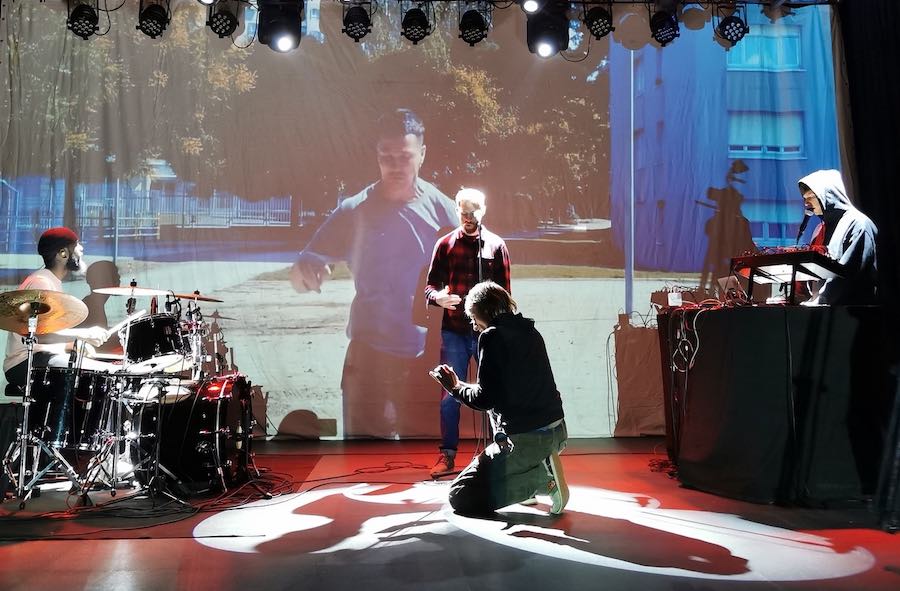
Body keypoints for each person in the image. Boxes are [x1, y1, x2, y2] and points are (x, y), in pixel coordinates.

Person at [289, 108, 457, 438]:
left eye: (405, 157)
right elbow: (298, 275)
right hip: (368, 358)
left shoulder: (444, 212)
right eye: (387, 157)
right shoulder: (354, 210)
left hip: (428, 359)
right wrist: (307, 272)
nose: (395, 165)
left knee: (424, 466)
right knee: (361, 465)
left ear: (422, 155)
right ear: (377, 156)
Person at [429, 281, 568, 516]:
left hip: (528, 440)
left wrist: (453, 389)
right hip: (557, 432)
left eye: (473, 318)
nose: (474, 327)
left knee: (461, 494)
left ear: (485, 311)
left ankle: (542, 480)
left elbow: (485, 399)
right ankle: (533, 470)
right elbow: (502, 390)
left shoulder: (492, 336)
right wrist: (460, 385)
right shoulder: (529, 331)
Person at [424, 188, 510, 477]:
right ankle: (447, 455)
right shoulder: (445, 245)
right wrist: (438, 298)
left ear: (483, 211)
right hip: (454, 332)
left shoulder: (495, 246)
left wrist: (502, 330)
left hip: (488, 334)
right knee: (450, 393)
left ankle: (503, 453)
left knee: (495, 393)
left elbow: (505, 295)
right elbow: (430, 287)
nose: (468, 218)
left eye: (473, 212)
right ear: (457, 211)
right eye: (463, 212)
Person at [3, 227, 111, 389]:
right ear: (63, 254)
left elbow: (44, 337)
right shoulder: (41, 283)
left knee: (96, 369)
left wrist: (71, 345)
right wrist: (84, 335)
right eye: (77, 245)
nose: (81, 248)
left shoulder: (49, 281)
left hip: (37, 356)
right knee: (100, 373)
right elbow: (40, 335)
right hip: (25, 362)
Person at [797, 170, 878, 305]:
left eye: (810, 198)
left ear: (827, 195)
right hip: (829, 314)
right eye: (804, 199)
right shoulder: (820, 230)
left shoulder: (859, 225)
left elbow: (847, 274)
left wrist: (821, 300)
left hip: (855, 315)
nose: (806, 204)